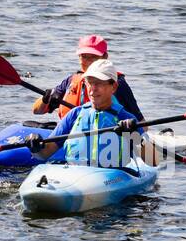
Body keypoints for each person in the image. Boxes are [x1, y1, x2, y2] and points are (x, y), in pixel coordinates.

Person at [25, 59, 158, 166]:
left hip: (112, 179)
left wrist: (134, 136)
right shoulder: (74, 115)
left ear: (114, 87)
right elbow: (44, 154)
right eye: (89, 83)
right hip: (74, 177)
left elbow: (153, 161)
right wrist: (35, 147)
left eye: (99, 83)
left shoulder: (125, 118)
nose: (92, 89)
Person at [32, 35, 144, 121]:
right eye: (84, 56)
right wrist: (45, 99)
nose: (88, 61)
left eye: (93, 57)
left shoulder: (116, 84)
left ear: (105, 57)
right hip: (70, 137)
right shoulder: (71, 81)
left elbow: (141, 124)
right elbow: (37, 111)